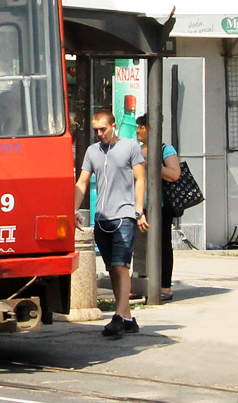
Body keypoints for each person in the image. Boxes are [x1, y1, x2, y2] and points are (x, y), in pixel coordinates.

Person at [74, 107, 147, 339]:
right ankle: (126, 318)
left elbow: (140, 178)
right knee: (113, 270)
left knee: (120, 266)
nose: (100, 134)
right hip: (102, 217)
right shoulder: (92, 151)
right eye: (96, 130)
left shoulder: (130, 147)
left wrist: (138, 210)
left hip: (125, 214)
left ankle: (117, 317)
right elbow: (82, 182)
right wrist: (73, 209)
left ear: (113, 126)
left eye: (103, 129)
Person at [137, 113, 182, 301]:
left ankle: (165, 285)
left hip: (162, 207)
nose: (138, 130)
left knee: (162, 244)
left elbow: (174, 174)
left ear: (151, 128)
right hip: (140, 205)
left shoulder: (165, 149)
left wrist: (152, 165)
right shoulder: (137, 149)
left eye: (141, 127)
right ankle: (139, 283)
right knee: (139, 246)